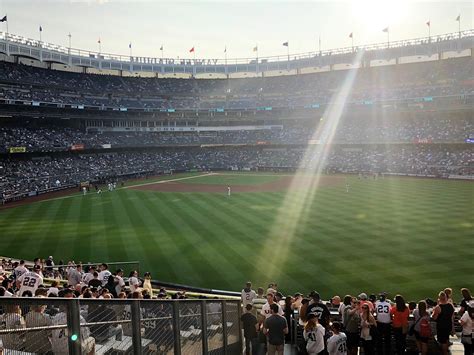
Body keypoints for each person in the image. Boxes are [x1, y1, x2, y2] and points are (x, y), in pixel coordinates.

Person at [432, 291, 455, 355]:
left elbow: (434, 318)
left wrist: (434, 311)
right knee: (446, 338)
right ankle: (447, 351)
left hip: (441, 327)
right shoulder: (451, 305)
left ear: (439, 298)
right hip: (449, 325)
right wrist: (453, 328)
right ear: (445, 297)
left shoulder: (438, 307)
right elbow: (452, 317)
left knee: (443, 342)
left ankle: (445, 353)